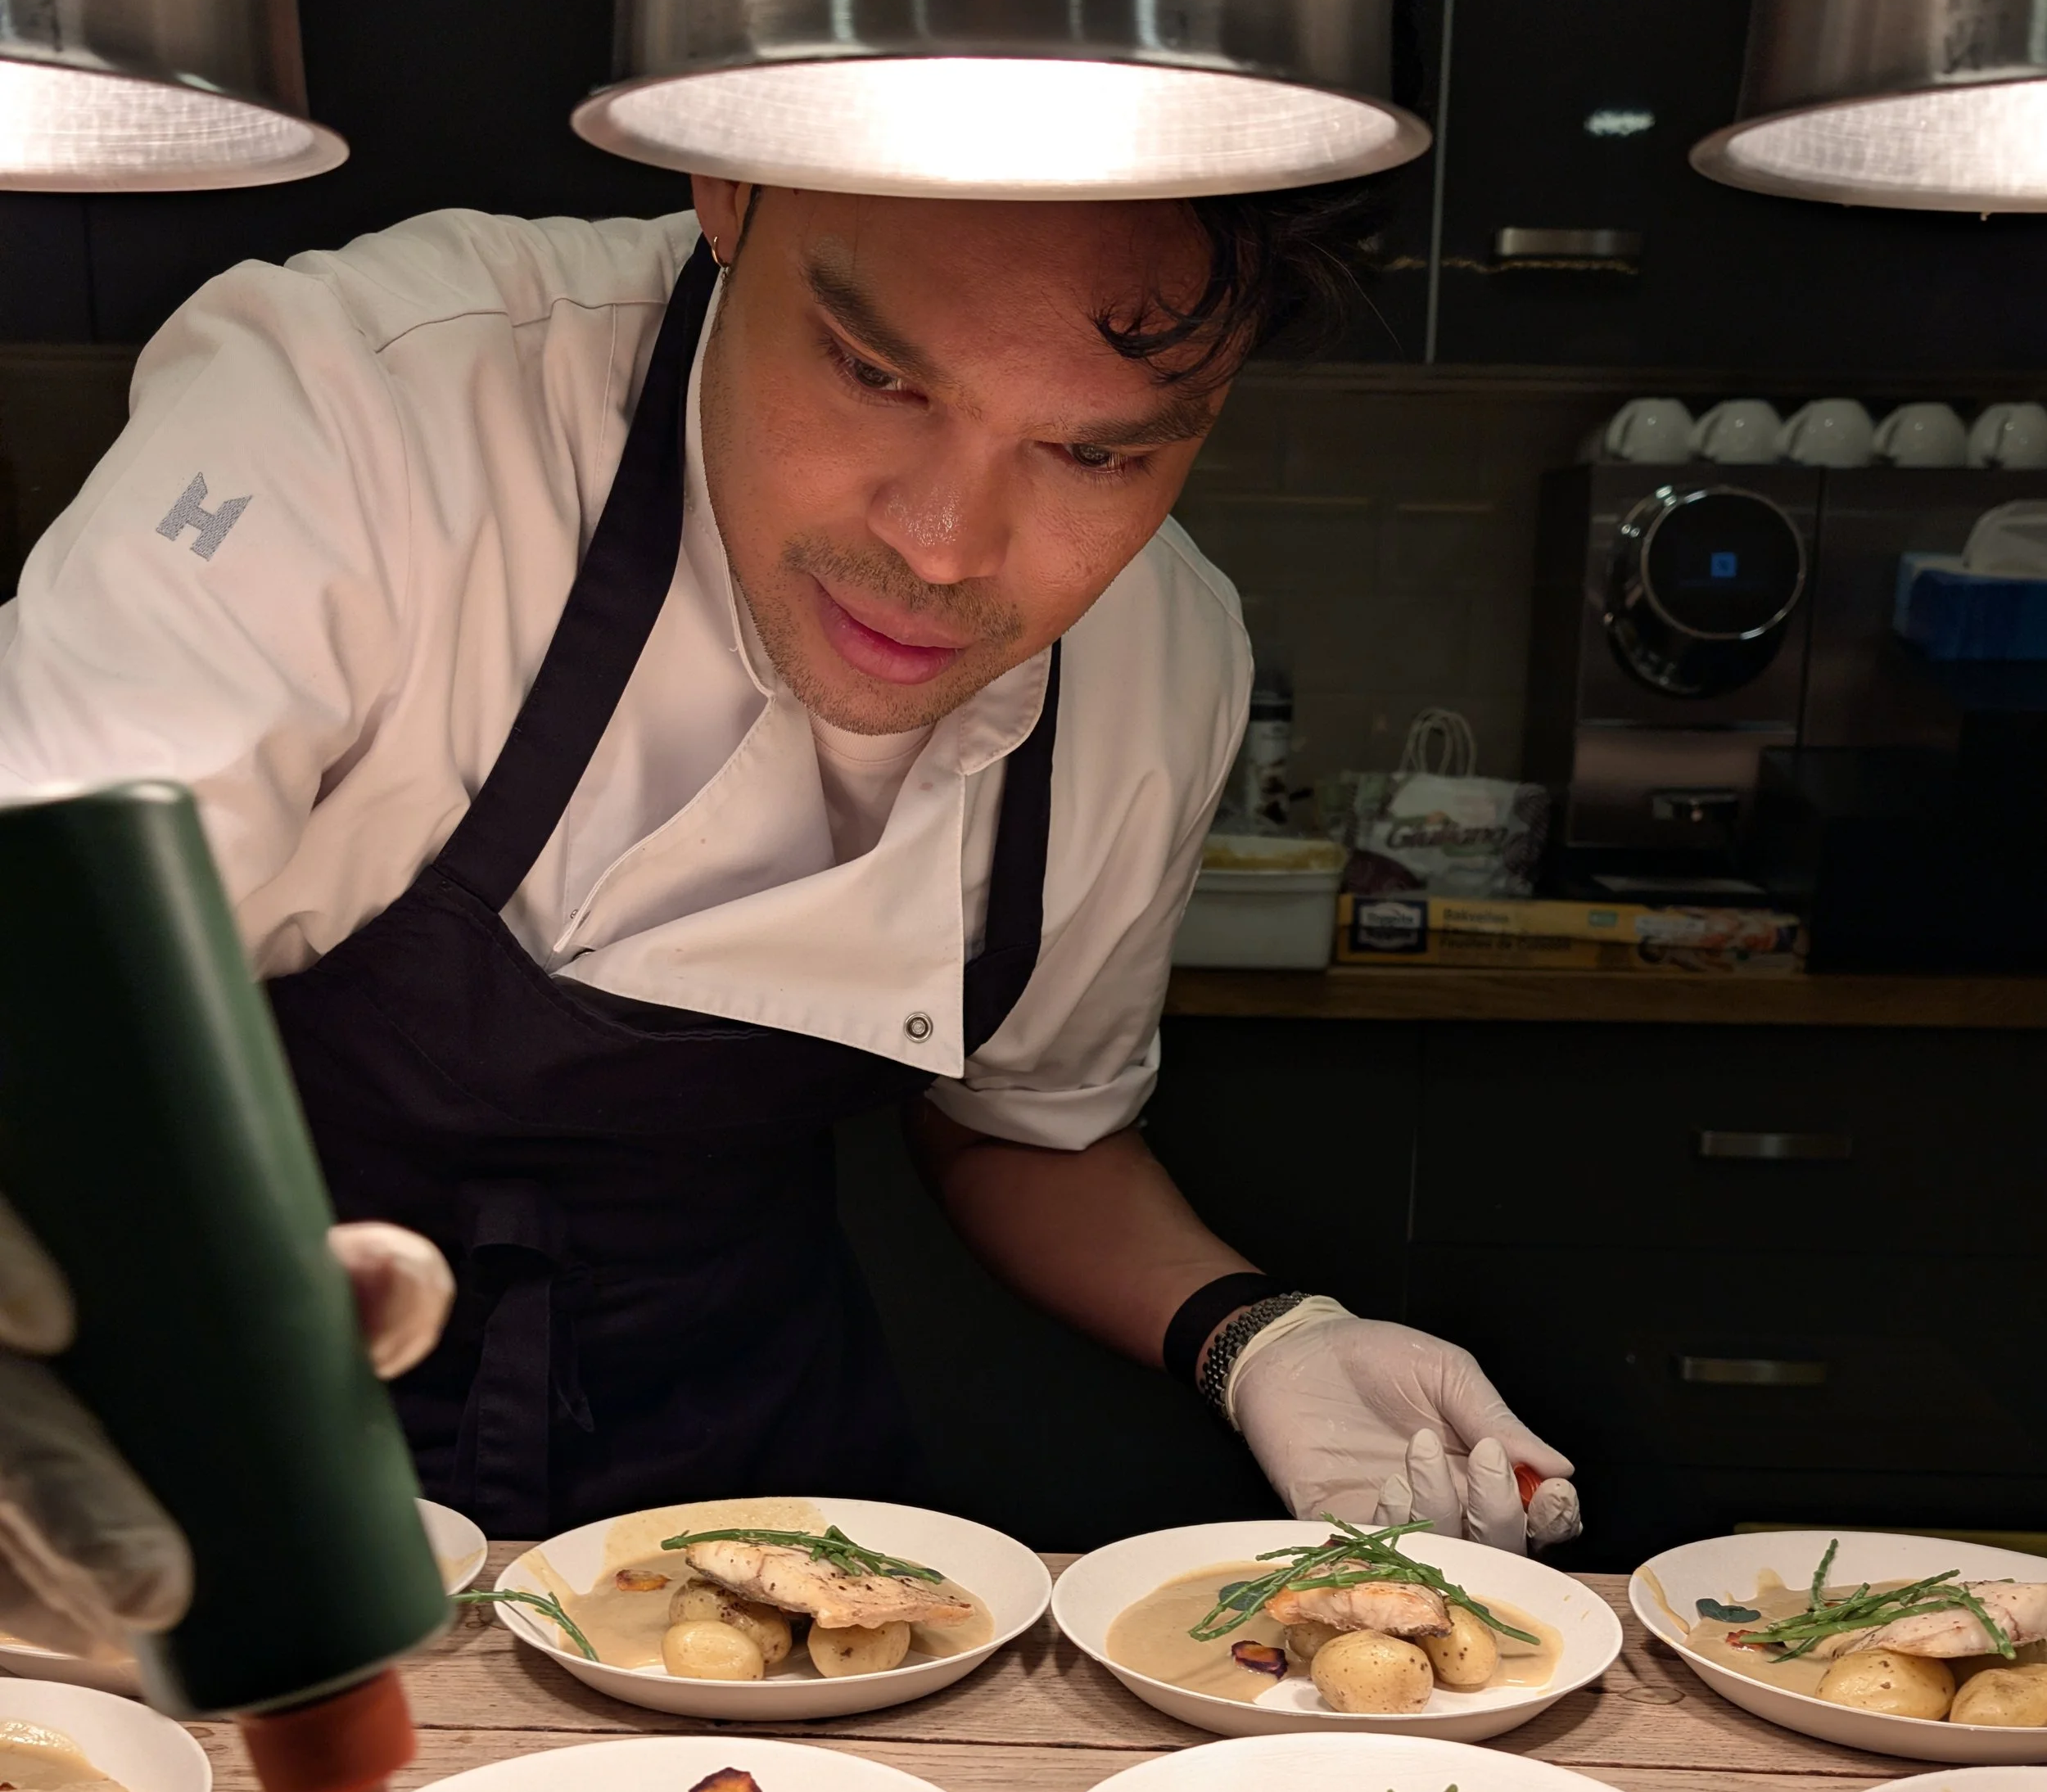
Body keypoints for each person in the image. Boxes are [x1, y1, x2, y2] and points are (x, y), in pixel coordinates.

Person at [0, 177, 1576, 1575]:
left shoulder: (1162, 659)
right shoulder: (373, 417)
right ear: (728, 193)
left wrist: (1262, 1337)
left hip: (756, 1500)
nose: (949, 544)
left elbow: (1031, 1138)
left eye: (1099, 451)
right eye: (876, 372)